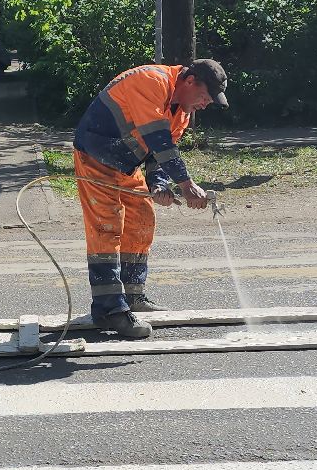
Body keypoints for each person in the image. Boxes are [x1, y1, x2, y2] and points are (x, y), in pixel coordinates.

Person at [70, 59, 225, 339]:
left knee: (142, 217)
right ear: (189, 82)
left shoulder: (182, 114)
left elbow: (157, 155)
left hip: (124, 162)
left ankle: (132, 295)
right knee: (107, 228)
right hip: (96, 157)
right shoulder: (151, 81)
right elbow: (157, 139)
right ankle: (110, 310)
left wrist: (159, 184)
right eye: (205, 97)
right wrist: (187, 185)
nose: (206, 104)